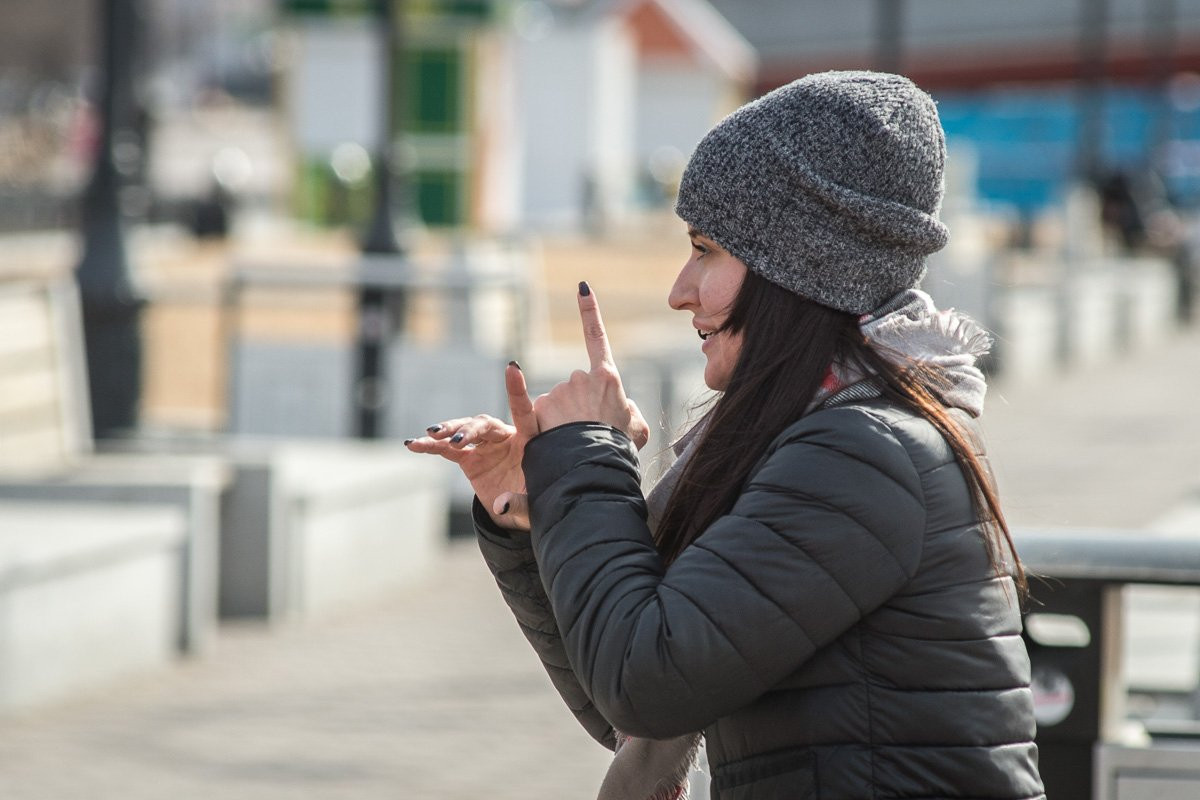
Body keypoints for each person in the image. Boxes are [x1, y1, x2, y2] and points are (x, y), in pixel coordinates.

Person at [407, 71, 1044, 800]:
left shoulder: (864, 454)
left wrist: (588, 462)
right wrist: (539, 511)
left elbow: (647, 681)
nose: (680, 289)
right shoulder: (820, 437)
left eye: (706, 249)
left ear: (796, 268)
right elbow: (622, 695)